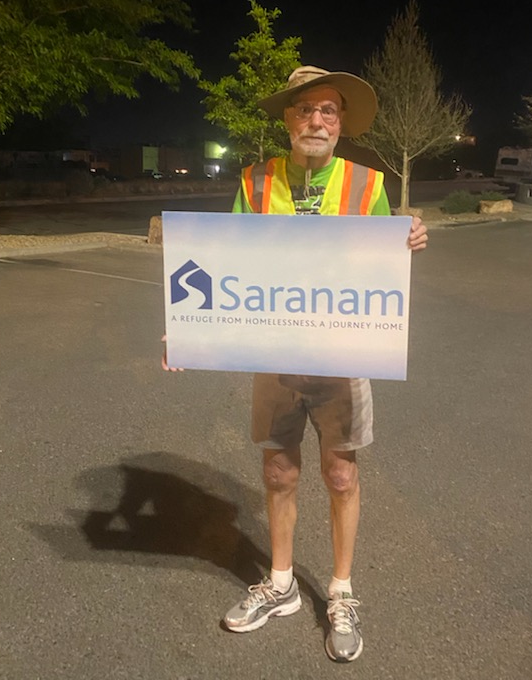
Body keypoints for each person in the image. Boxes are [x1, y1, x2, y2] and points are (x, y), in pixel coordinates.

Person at [165, 66, 428, 663]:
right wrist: (183, 328)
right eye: (305, 108)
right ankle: (281, 584)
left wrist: (412, 236)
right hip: (276, 353)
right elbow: (222, 261)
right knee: (279, 472)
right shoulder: (255, 182)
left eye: (328, 110)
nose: (316, 120)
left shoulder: (367, 183)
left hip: (344, 354)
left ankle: (341, 592)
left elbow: (387, 260)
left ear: (341, 123)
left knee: (341, 476)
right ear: (287, 118)